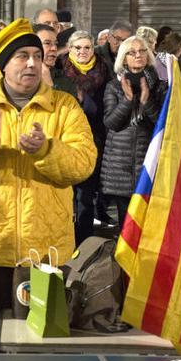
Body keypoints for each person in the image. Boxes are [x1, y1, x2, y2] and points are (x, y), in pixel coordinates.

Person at [0, 18, 97, 352]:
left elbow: (83, 164)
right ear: (2, 66)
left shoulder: (64, 107)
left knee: (44, 346)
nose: (31, 63)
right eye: (21, 56)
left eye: (36, 56)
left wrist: (46, 150)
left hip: (47, 251)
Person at [100, 36, 167, 227]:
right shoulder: (114, 86)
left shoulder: (160, 86)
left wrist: (146, 102)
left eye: (142, 51)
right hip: (120, 165)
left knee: (149, 225)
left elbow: (161, 125)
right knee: (126, 226)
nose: (138, 55)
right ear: (123, 58)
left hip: (149, 162)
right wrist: (127, 101)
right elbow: (111, 122)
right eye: (132, 52)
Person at [59, 30, 108, 245]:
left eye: (87, 47)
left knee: (86, 197)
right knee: (65, 196)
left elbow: (102, 109)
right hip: (64, 139)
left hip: (93, 139)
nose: (82, 51)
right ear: (70, 49)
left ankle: (84, 244)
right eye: (77, 47)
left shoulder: (104, 71)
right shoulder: (60, 72)